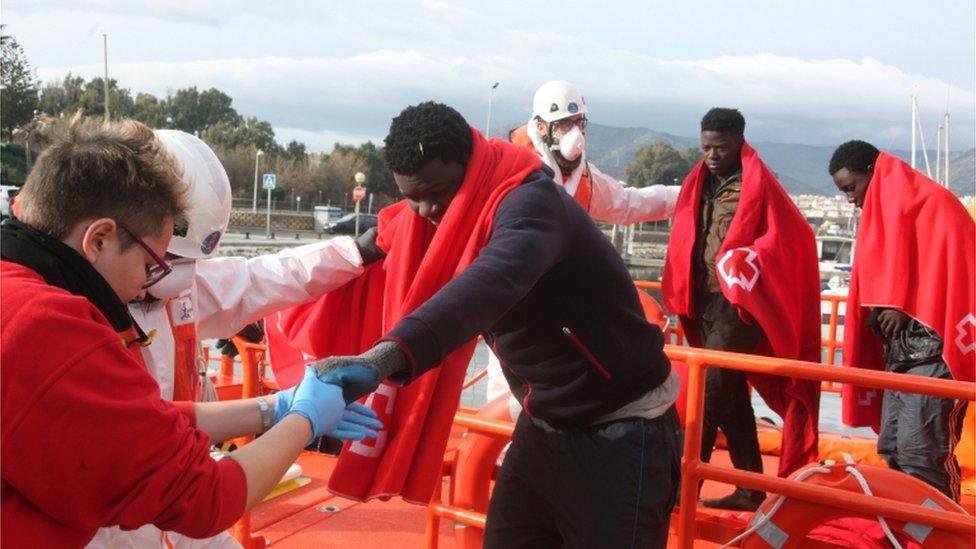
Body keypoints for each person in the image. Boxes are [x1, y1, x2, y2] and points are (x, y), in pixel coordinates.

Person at [290, 101, 681, 548]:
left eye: (433, 194)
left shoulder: (531, 203)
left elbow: (491, 282)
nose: (421, 212)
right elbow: (389, 233)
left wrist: (386, 356)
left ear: (468, 169)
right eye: (409, 196)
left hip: (622, 429)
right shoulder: (444, 210)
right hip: (545, 423)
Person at [0, 116, 381, 548]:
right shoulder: (51, 333)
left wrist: (271, 408)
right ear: (100, 239)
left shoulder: (26, 293)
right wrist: (303, 420)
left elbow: (134, 423)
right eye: (154, 266)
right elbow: (202, 498)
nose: (164, 282)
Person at [662, 108, 821, 511]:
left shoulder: (760, 185)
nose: (712, 155)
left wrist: (753, 258)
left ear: (739, 142)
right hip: (705, 301)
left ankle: (682, 488)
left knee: (708, 389)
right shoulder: (698, 182)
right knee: (730, 393)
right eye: (706, 148)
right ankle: (750, 488)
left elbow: (794, 236)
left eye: (721, 147)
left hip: (739, 304)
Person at [830, 140, 974, 501]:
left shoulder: (934, 206)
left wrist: (902, 304)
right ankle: (907, 531)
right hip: (902, 356)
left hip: (935, 356)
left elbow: (954, 278)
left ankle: (943, 534)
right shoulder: (884, 218)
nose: (850, 198)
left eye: (852, 187)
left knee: (921, 454)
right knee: (893, 448)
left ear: (871, 173)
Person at [508, 79, 680, 225]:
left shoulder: (584, 178)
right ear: (541, 127)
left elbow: (627, 203)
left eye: (579, 122)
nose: (575, 132)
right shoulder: (512, 167)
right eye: (565, 124)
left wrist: (686, 194)